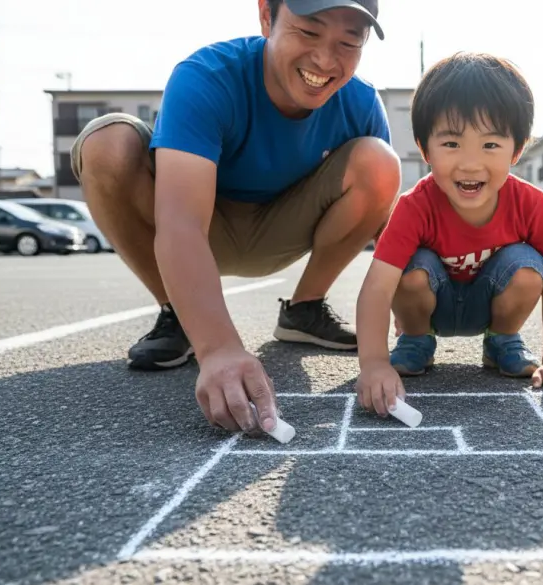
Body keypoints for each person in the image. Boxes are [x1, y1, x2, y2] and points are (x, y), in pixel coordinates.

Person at [71, 0, 402, 435]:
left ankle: (304, 309)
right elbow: (181, 223)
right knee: (107, 143)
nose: (325, 60)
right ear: (266, 16)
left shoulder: (360, 102)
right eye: (308, 32)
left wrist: (415, 310)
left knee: (380, 162)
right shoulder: (206, 76)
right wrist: (218, 347)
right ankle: (179, 313)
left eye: (348, 42)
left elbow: (392, 232)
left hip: (284, 226)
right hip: (203, 224)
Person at [353, 52, 543, 416]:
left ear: (517, 150)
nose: (469, 163)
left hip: (489, 303)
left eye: (490, 145)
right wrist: (373, 364)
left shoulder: (530, 203)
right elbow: (377, 286)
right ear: (425, 148)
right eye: (451, 144)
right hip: (432, 306)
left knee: (529, 266)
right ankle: (416, 340)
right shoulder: (413, 206)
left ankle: (501, 340)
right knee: (412, 267)